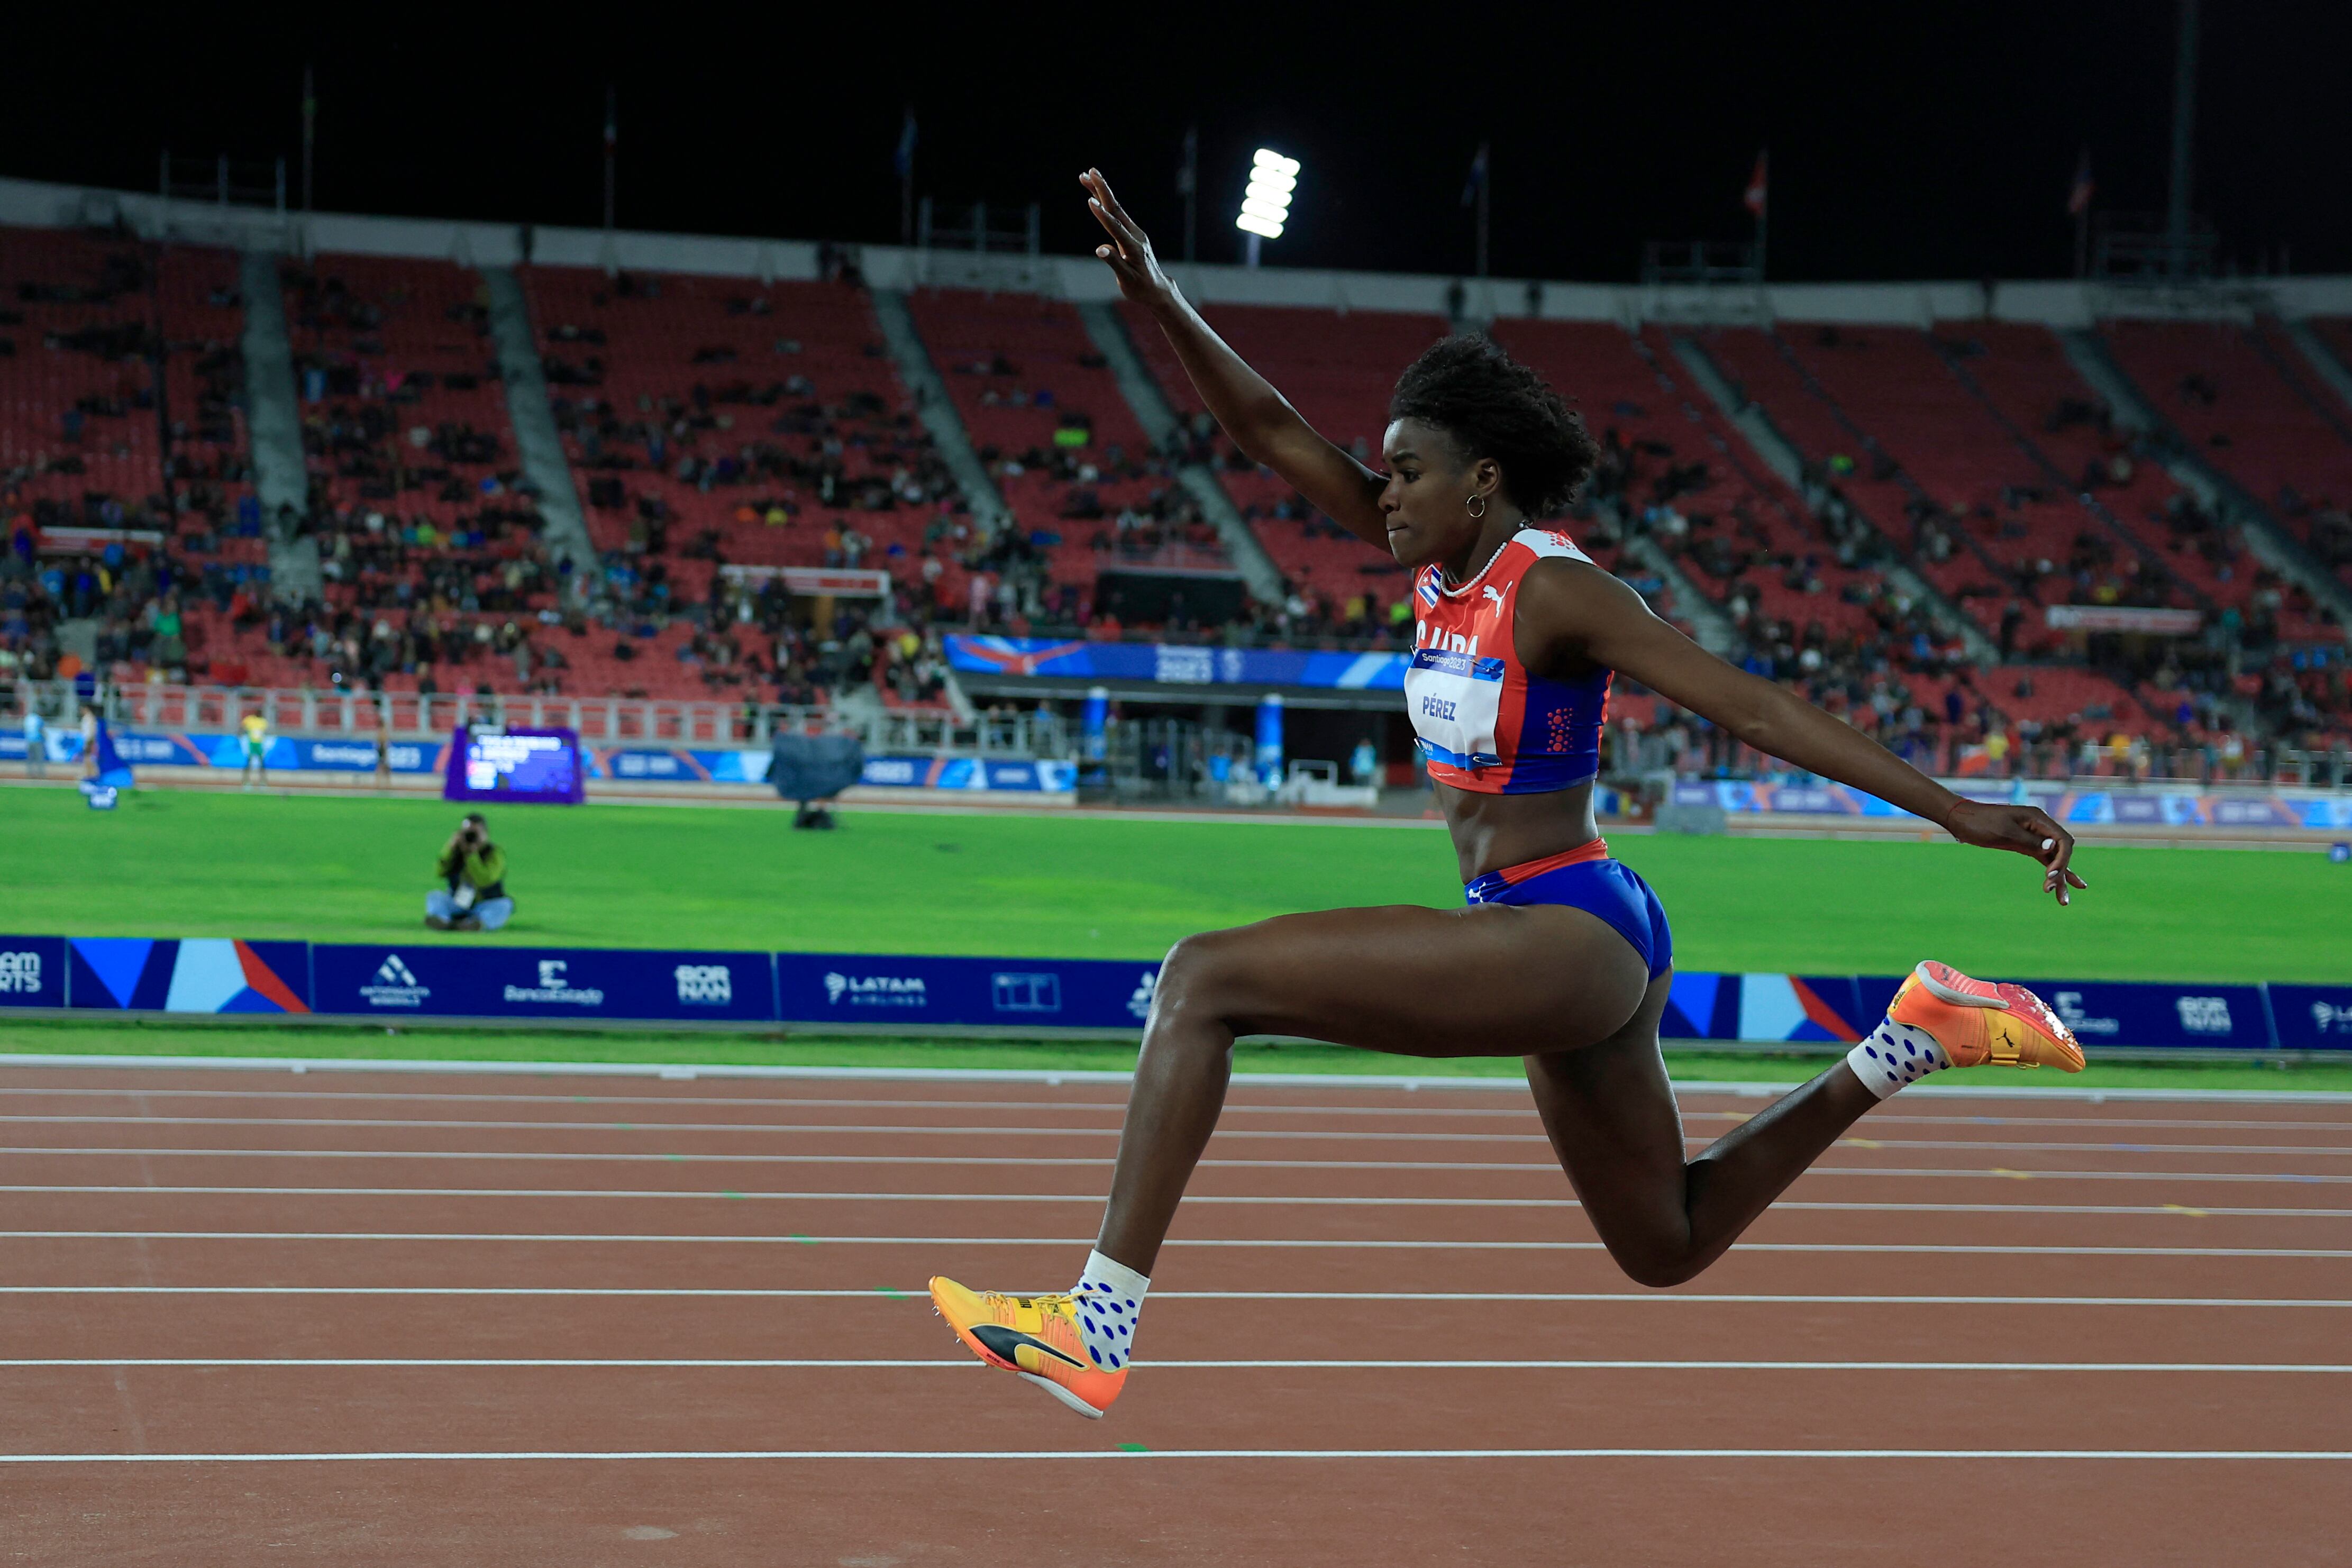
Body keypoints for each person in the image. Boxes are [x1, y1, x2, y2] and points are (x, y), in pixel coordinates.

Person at [927, 170, 2090, 1423]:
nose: (1379, 491)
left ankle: (1094, 1326)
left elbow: (1750, 707)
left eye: (1403, 471)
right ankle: (1917, 1034)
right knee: (1666, 1241)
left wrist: (1957, 809)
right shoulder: (1430, 560)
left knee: (1201, 978)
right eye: (1378, 471)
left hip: (1566, 926)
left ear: (1478, 481)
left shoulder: (1557, 590)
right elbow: (1265, 430)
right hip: (1564, 932)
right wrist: (1159, 292)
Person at [426, 813, 514, 931]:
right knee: (434, 896)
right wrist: (450, 848)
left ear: (485, 834)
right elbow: (439, 872)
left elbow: (486, 880)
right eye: (467, 833)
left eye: (475, 834)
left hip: (484, 904)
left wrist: (472, 856)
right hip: (456, 902)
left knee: (505, 905)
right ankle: (442, 921)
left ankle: (475, 924)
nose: (471, 838)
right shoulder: (456, 851)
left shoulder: (494, 853)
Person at [239, 709, 270, 789]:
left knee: (261, 764)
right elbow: (242, 726)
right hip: (251, 744)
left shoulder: (263, 721)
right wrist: (241, 733)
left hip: (259, 745)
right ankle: (246, 782)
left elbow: (264, 732)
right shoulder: (250, 719)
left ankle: (263, 782)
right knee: (249, 763)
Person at [21, 704, 44, 779]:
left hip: (29, 740)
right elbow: (41, 729)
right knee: (39, 758)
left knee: (30, 758)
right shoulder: (38, 719)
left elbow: (24, 728)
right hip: (37, 740)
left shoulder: (27, 718)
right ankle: (40, 773)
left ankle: (30, 773)